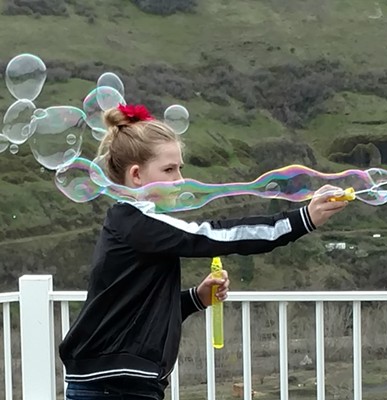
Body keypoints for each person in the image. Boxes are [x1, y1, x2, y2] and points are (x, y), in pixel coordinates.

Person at [60, 103, 348, 399]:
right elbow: (215, 236)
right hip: (114, 385)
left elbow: (137, 307)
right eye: (169, 169)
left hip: (116, 380)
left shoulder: (132, 223)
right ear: (137, 176)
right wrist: (303, 219)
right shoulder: (136, 224)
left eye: (180, 168)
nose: (180, 179)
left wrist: (196, 298)